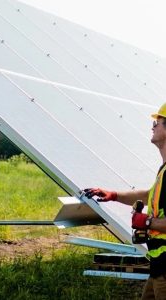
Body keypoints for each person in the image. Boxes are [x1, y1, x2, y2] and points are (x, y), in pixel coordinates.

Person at [84, 103, 166, 300]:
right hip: (158, 264)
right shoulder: (163, 170)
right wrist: (113, 195)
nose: (152, 126)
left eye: (158, 122)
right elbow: (149, 195)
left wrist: (146, 222)